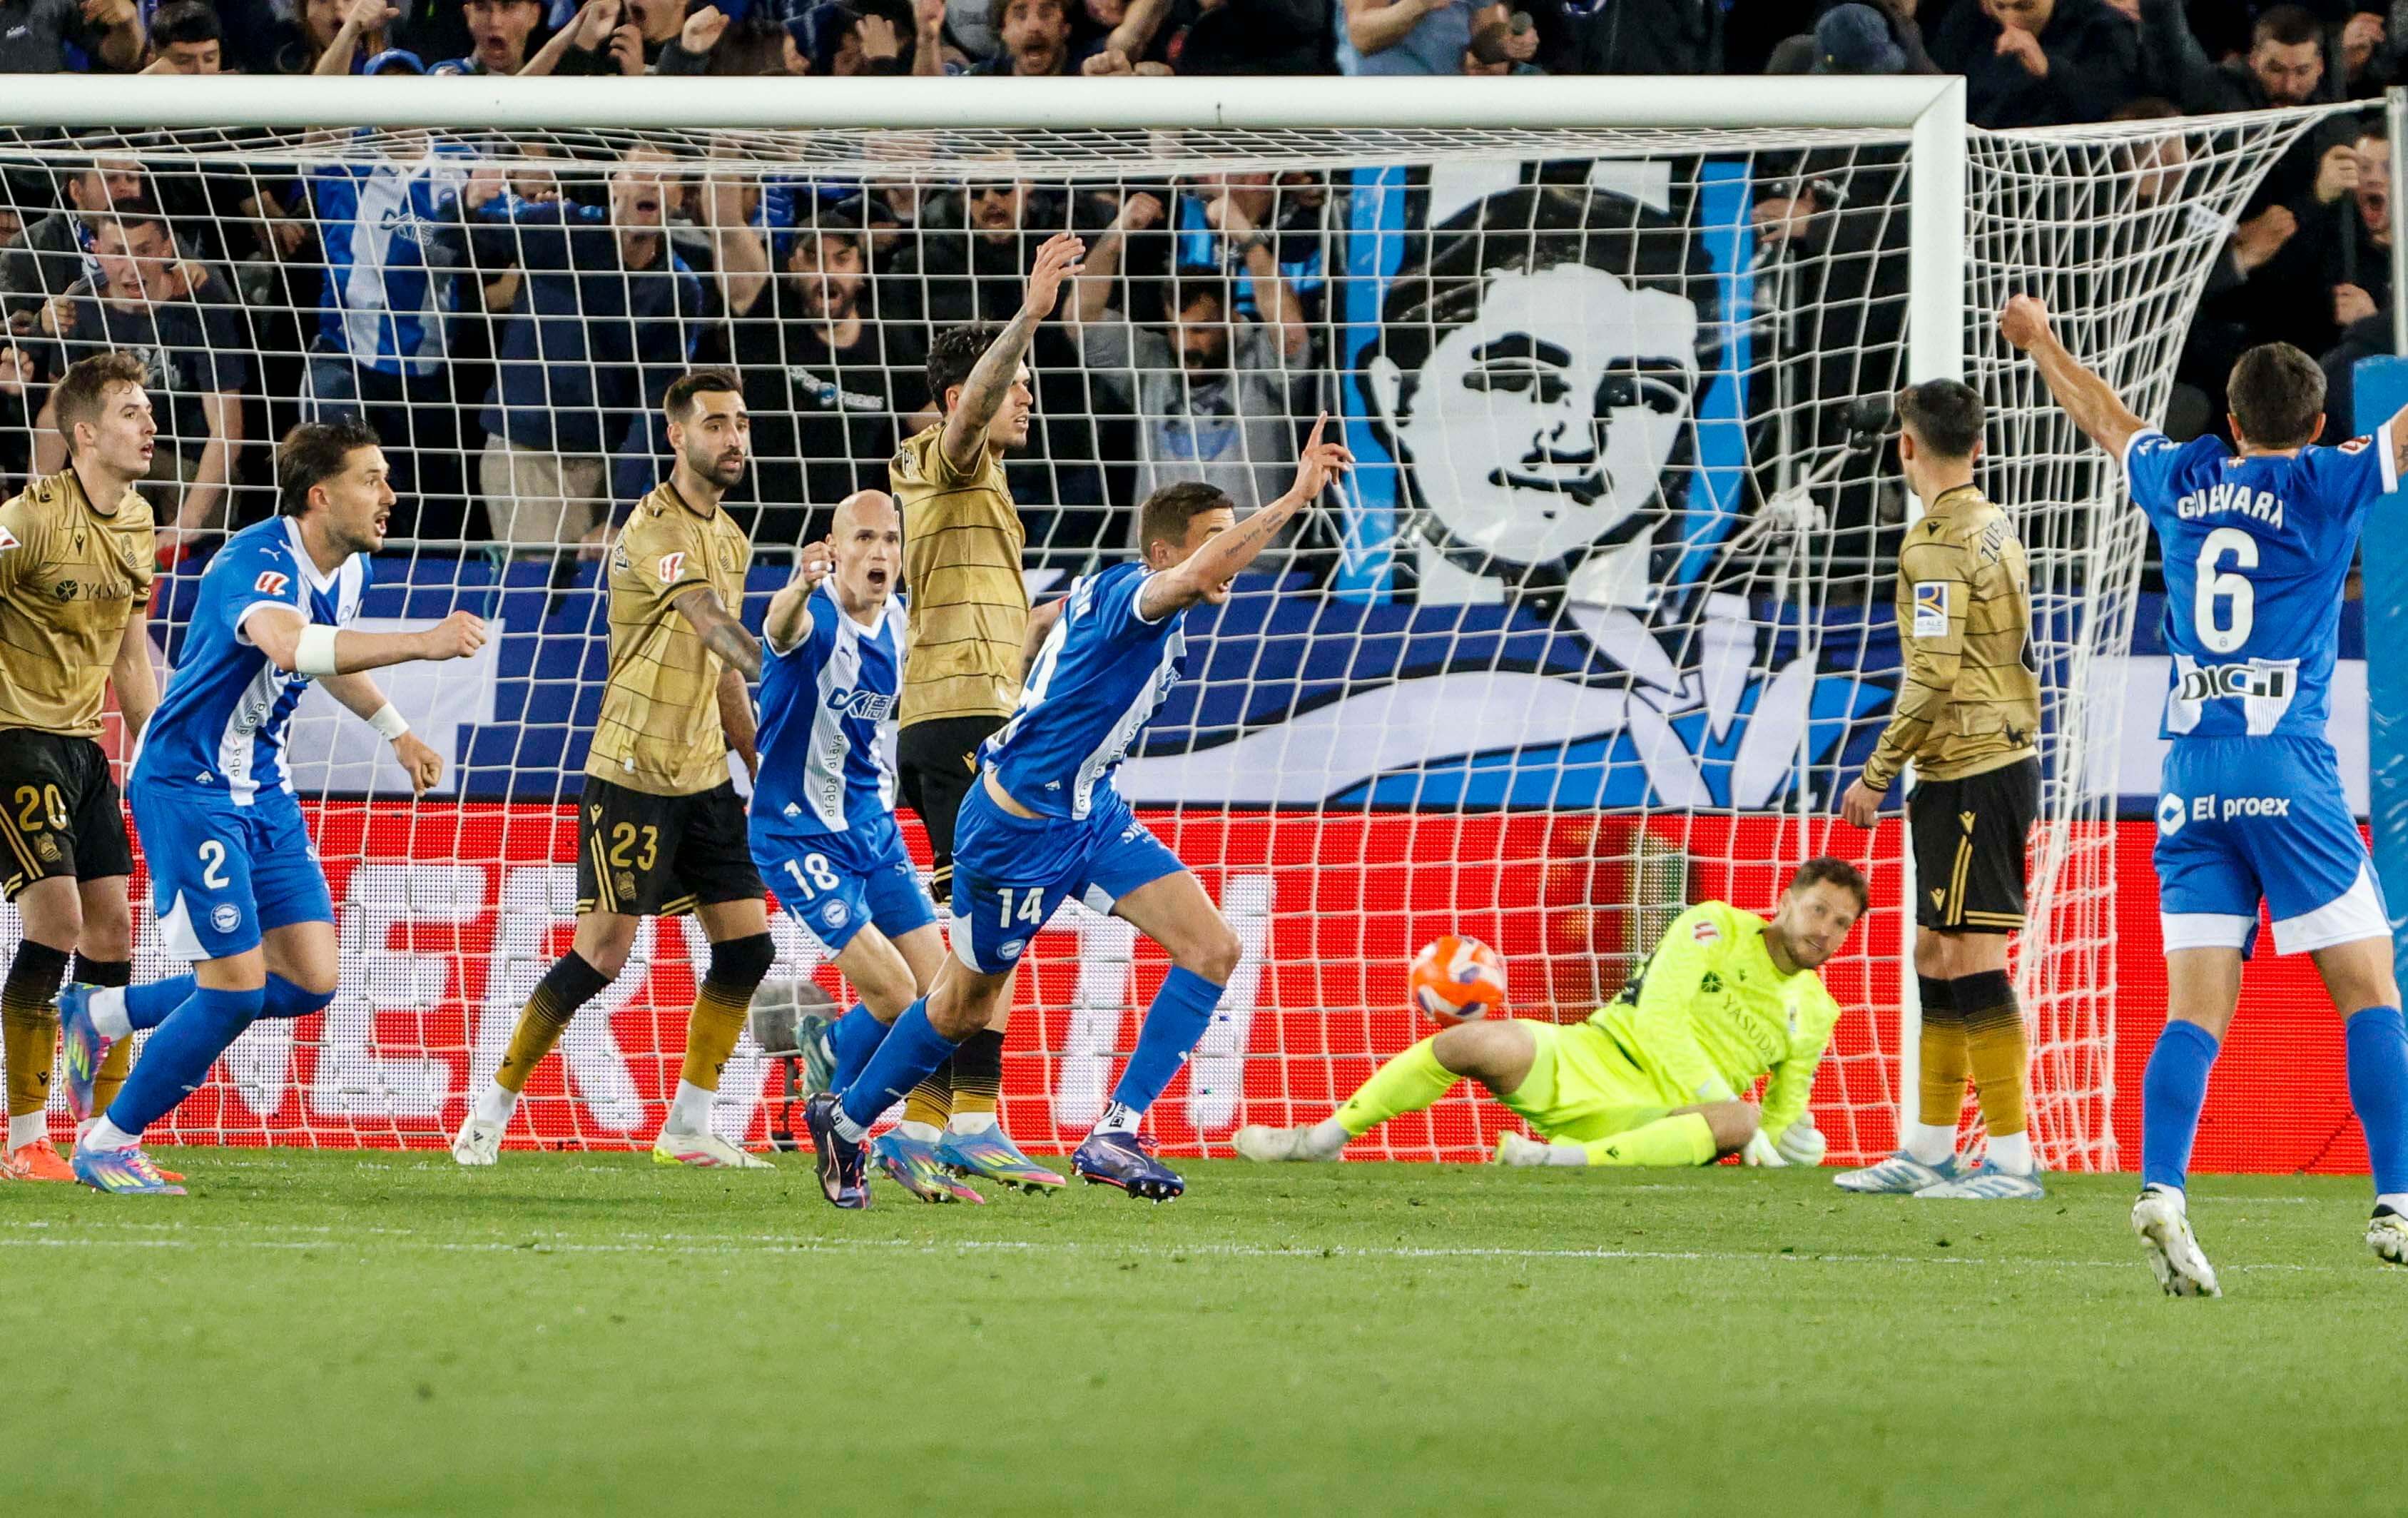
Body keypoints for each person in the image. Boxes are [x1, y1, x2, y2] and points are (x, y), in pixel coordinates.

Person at [804, 422, 1355, 1208]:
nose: (1229, 559)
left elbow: (1048, 627)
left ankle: (1117, 1131)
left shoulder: (1112, 592)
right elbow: (1186, 582)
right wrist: (1298, 499)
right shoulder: (1143, 595)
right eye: (1212, 544)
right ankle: (849, 1124)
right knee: (961, 1006)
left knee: (1212, 947)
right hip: (1018, 832)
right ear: (1167, 554)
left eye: (1231, 542)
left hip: (1088, 816)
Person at [2001, 294, 2408, 1294]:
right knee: (2368, 988)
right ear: (2315, 423)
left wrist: (2040, 342)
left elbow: (2102, 417)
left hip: (2186, 772)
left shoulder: (2182, 476)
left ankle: (2161, 1186)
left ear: (2225, 419)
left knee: (2192, 1008)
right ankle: (2396, 1199)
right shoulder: (2329, 478)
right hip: (2284, 763)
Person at [56, 418, 485, 1194]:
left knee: (311, 980)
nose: (390, 495)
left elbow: (328, 655)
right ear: (320, 496)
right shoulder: (256, 562)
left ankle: (105, 1014)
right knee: (236, 989)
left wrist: (396, 731)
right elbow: (292, 646)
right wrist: (421, 643)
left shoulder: (348, 569)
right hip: (189, 788)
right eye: (372, 480)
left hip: (264, 790)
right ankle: (107, 1140)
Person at [453, 370, 777, 1171]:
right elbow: (707, 622)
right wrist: (788, 669)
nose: (733, 438)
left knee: (747, 950)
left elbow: (725, 675)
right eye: (714, 425)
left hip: (703, 777)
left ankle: (690, 1125)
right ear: (676, 437)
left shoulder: (732, 539)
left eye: (740, 424)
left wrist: (756, 760)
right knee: (601, 956)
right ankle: (491, 1106)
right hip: (631, 769)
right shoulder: (651, 530)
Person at [748, 492, 1055, 1200]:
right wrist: (797, 585)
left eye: (890, 538)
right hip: (798, 833)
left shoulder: (900, 622)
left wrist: (1039, 626)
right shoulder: (811, 613)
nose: (880, 551)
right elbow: (777, 626)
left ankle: (880, 1118)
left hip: (873, 831)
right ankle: (839, 1078)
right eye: (864, 537)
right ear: (834, 545)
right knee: (892, 997)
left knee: (951, 996)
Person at [1234, 858, 1866, 1170]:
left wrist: (1789, 1143)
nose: (1825, 931)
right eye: (1817, 910)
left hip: (1664, 1119)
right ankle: (1319, 1139)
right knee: (1475, 1043)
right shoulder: (1713, 926)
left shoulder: (1816, 1011)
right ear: (1785, 900)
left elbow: (1781, 1118)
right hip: (1592, 1054)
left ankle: (1562, 1161)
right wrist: (1735, 1108)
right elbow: (1656, 1021)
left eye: (1841, 924)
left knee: (1740, 1115)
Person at [882, 233, 1082, 1165]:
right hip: (961, 720)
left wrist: (1060, 620)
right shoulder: (945, 455)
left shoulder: (980, 487)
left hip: (968, 711)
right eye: (1016, 379)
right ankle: (949, 1119)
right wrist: (1029, 312)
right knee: (990, 931)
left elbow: (983, 610)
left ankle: (929, 1126)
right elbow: (960, 420)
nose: (1029, 394)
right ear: (966, 397)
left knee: (978, 935)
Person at [1833, 380, 2044, 1200]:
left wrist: (1875, 773)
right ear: (1980, 446)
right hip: (1977, 763)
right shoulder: (1993, 522)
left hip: (1975, 766)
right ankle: (1926, 1148)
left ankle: (2013, 1158)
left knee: (1973, 955)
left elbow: (1933, 672)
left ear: (1906, 447)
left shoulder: (1937, 544)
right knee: (1933, 949)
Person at [0, 354, 158, 1183]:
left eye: (149, 409)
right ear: (86, 433)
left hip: (82, 747)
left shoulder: (138, 522)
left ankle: (105, 1135)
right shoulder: (27, 520)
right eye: (132, 412)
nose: (150, 424)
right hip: (12, 736)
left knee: (114, 932)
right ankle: (26, 1139)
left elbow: (131, 659)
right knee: (55, 924)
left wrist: (159, 757)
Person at [467, 146, 705, 557]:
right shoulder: (560, 228)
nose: (651, 183)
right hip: (525, 453)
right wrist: (472, 201)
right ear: (614, 185)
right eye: (639, 173)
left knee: (598, 600)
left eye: (665, 178)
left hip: (602, 465)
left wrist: (620, 514)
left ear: (681, 199)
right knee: (542, 587)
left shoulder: (679, 288)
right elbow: (475, 232)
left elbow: (655, 410)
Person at [1070, 191, 1306, 539]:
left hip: (1255, 570)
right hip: (1158, 569)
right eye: (1177, 330)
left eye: (1200, 329)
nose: (1187, 345)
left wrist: (1245, 236)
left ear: (1231, 320)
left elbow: (1290, 330)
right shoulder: (1152, 364)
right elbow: (1081, 317)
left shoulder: (1262, 365)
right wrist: (1116, 234)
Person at [704, 186, 928, 547]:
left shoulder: (891, 346)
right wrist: (726, 145)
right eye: (813, 258)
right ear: (792, 266)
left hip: (844, 551)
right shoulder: (767, 316)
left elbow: (938, 431)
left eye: (841, 259)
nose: (826, 274)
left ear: (861, 269)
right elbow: (726, 222)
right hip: (753, 539)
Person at [30, 200, 249, 552]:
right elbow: (56, 414)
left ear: (166, 249)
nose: (132, 267)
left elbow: (228, 429)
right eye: (118, 252)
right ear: (97, 253)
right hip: (112, 453)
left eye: (144, 250)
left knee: (198, 547)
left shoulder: (203, 306)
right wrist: (37, 507)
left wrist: (187, 524)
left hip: (187, 459)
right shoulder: (79, 309)